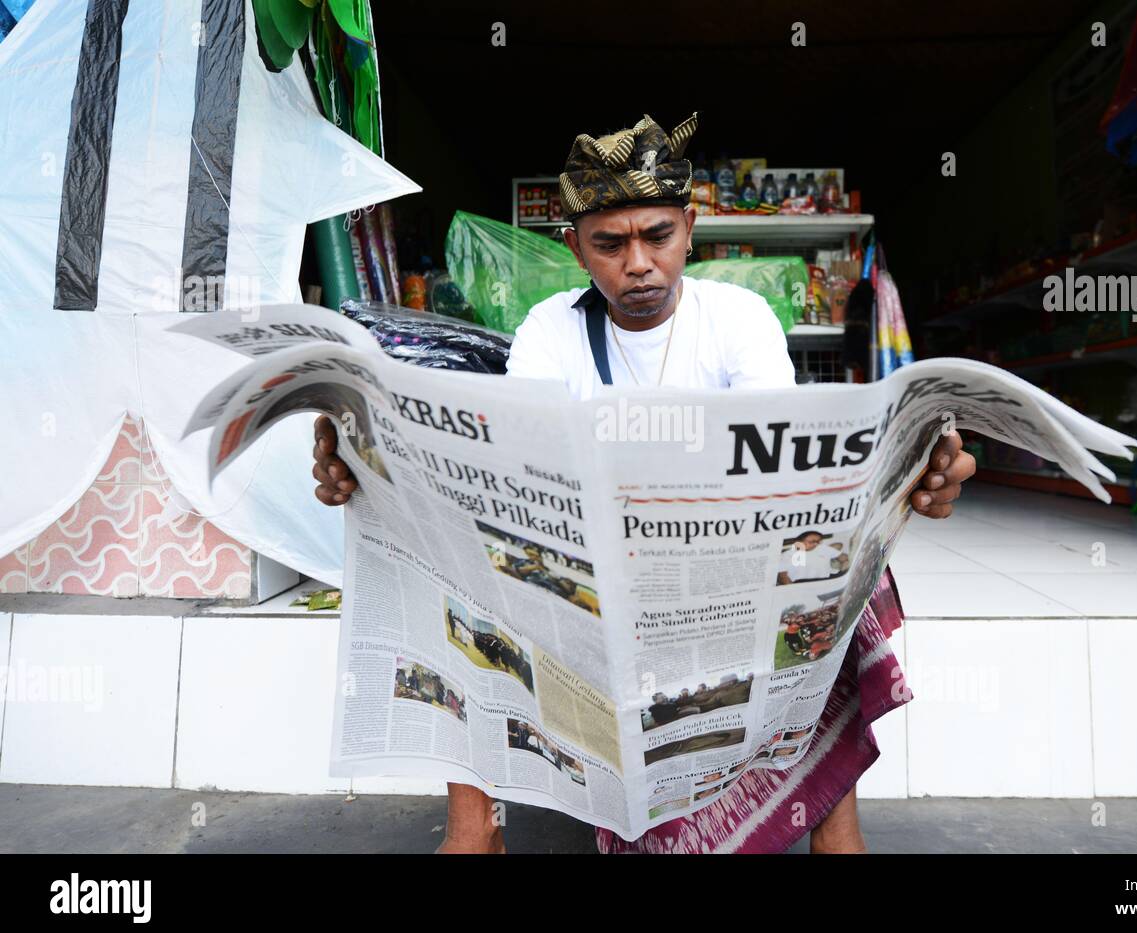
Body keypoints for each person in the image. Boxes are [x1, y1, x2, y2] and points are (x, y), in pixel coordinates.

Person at [311, 112, 976, 854]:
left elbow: (794, 481)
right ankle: (475, 835)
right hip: (593, 605)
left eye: (657, 235)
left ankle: (835, 829)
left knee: (836, 575)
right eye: (609, 242)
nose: (638, 263)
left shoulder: (739, 319)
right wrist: (370, 467)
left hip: (727, 594)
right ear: (574, 246)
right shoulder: (549, 330)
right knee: (469, 583)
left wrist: (906, 474)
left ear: (690, 228)